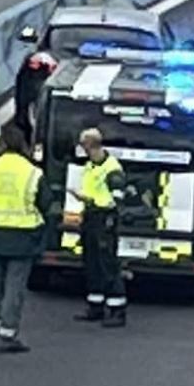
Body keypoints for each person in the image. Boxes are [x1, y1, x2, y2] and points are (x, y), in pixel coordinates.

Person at [0, 124, 45, 353]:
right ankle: (7, 334)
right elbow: (44, 204)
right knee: (14, 287)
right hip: (22, 235)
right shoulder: (32, 172)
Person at [70, 128, 130, 328]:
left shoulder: (112, 169)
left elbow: (115, 201)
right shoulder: (90, 166)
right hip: (91, 217)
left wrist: (90, 199)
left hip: (104, 220)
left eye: (83, 145)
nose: (82, 149)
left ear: (91, 145)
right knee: (92, 263)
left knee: (107, 264)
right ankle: (95, 305)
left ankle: (117, 310)